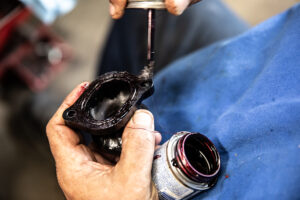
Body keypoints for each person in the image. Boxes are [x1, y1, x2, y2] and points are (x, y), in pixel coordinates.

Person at [46, 1, 300, 200]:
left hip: (234, 182)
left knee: (97, 155)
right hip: (270, 64)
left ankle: (85, 166)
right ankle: (87, 147)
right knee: (144, 9)